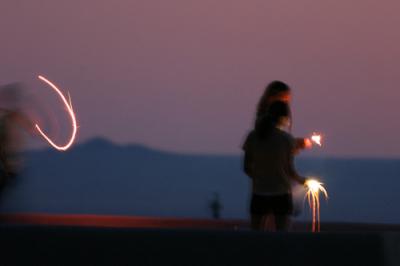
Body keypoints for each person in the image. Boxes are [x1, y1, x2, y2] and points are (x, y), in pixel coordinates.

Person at [243, 101, 306, 231]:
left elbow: (246, 167)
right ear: (284, 118)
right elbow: (290, 170)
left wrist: (260, 177)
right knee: (282, 237)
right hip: (281, 195)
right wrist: (303, 181)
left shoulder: (253, 136)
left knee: (255, 236)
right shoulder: (286, 139)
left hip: (259, 193)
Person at [255, 81, 312, 150]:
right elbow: (274, 147)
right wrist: (294, 143)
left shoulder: (253, 136)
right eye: (284, 101)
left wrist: (294, 144)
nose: (286, 106)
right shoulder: (282, 137)